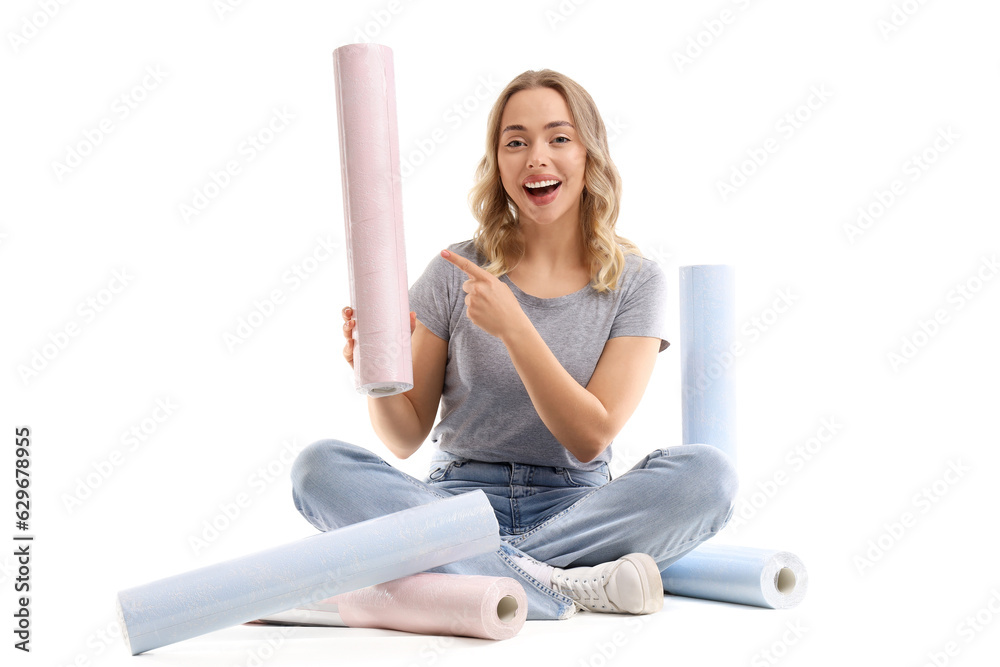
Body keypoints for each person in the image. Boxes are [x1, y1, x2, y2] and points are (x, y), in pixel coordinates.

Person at [291, 68, 738, 620]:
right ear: (497, 162)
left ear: (589, 155)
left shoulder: (636, 281)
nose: (536, 157)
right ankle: (556, 582)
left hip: (576, 508)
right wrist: (372, 374)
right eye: (516, 142)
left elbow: (589, 435)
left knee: (708, 476)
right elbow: (404, 437)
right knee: (318, 469)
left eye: (559, 138)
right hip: (452, 506)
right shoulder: (455, 271)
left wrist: (515, 329)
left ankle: (478, 577)